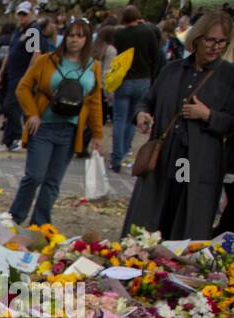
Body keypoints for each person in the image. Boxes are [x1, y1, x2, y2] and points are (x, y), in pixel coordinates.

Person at [122, 11, 234, 240]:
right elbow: (148, 100)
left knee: (186, 220)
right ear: (197, 38)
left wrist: (209, 115)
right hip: (164, 157)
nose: (216, 47)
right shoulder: (172, 69)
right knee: (151, 216)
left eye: (222, 42)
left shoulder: (229, 76)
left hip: (200, 162)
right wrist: (142, 113)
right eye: (210, 40)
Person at [9, 18, 103, 226]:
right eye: (71, 35)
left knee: (53, 181)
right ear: (64, 36)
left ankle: (40, 224)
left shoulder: (93, 66)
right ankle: (14, 218)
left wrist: (97, 133)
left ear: (87, 40)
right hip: (43, 126)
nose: (74, 40)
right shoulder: (46, 60)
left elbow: (95, 100)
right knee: (34, 176)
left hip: (70, 130)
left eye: (80, 36)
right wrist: (32, 113)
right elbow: (23, 88)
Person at [110, 6, 163, 172]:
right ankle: (125, 152)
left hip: (124, 79)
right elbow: (155, 56)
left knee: (119, 119)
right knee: (134, 118)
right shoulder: (147, 32)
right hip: (143, 79)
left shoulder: (119, 34)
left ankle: (117, 156)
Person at [0, 3, 49, 152]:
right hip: (12, 74)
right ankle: (7, 139)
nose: (22, 17)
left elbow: (35, 53)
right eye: (20, 14)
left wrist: (29, 75)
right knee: (9, 106)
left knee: (11, 106)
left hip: (22, 75)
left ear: (31, 14)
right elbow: (10, 53)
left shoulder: (32, 30)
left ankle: (18, 136)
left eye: (24, 14)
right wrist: (0, 75)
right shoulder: (18, 31)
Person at [92, 21, 117, 123]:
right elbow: (107, 72)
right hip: (101, 87)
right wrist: (109, 93)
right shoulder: (111, 50)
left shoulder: (94, 48)